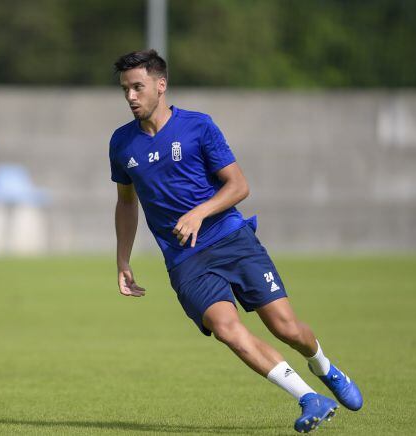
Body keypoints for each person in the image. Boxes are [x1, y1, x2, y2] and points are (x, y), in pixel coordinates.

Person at [109, 50, 363, 433]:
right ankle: (308, 397)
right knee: (228, 330)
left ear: (161, 85)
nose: (130, 96)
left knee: (286, 328)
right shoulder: (121, 144)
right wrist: (123, 260)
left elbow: (239, 186)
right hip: (185, 260)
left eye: (138, 87)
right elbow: (126, 204)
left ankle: (324, 367)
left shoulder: (198, 127)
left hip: (230, 237)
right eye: (125, 88)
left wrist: (199, 212)